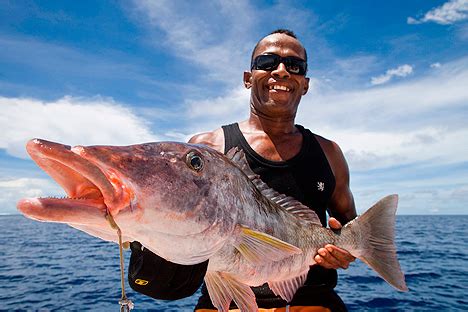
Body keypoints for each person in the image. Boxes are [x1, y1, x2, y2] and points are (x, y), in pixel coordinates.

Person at [128, 29, 357, 311]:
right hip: (225, 296)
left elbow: (349, 227)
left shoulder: (329, 153)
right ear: (248, 78)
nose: (282, 71)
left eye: (294, 66)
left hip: (309, 296)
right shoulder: (206, 149)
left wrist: (345, 250)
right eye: (267, 63)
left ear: (305, 84)